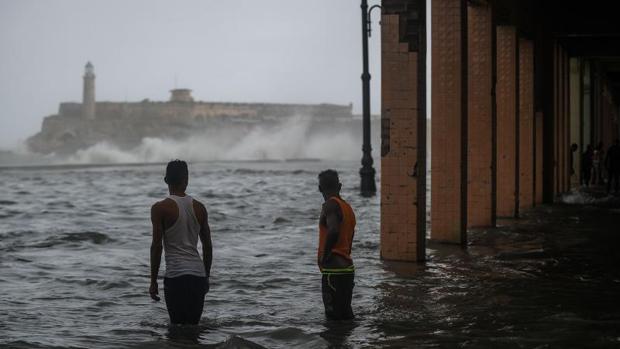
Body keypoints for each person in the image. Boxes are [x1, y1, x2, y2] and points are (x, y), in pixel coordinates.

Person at [150, 160, 213, 325]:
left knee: (176, 330)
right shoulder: (200, 208)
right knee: (193, 330)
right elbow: (207, 246)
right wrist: (206, 276)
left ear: (166, 180)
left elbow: (157, 247)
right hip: (198, 276)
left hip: (176, 277)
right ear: (186, 179)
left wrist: (153, 281)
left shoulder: (160, 208)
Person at [317, 169, 356, 320]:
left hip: (334, 271)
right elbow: (350, 237)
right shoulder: (347, 208)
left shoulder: (330, 206)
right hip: (347, 268)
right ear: (339, 186)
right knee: (346, 315)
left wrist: (325, 256)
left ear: (320, 188)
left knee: (333, 319)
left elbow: (333, 231)